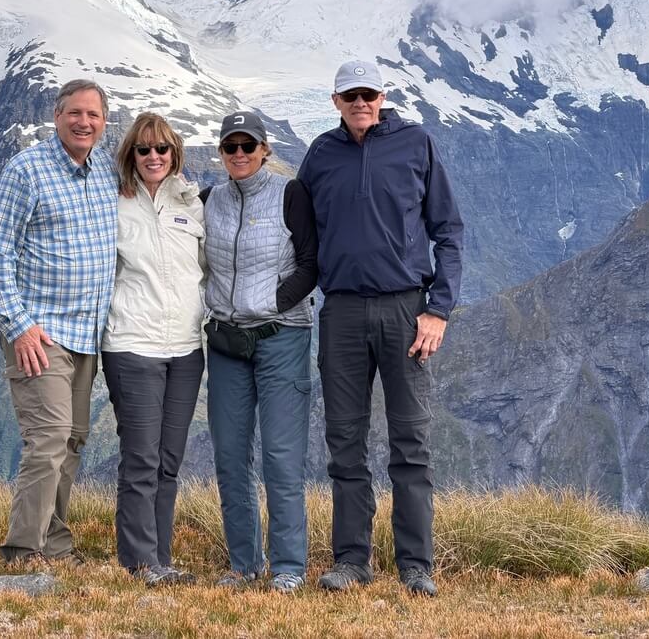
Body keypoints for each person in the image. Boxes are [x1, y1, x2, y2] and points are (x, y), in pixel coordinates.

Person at [298, 59, 464, 596]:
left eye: (368, 94)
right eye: (350, 96)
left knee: (410, 443)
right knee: (344, 442)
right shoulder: (320, 154)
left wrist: (438, 310)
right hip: (342, 311)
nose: (360, 103)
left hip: (406, 311)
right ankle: (352, 561)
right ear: (335, 101)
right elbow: (300, 234)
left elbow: (448, 231)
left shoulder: (416, 144)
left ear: (382, 96)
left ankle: (417, 566)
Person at [0, 79, 118, 568]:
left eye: (93, 115)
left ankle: (55, 545)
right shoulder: (26, 170)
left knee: (72, 440)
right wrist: (18, 326)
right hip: (40, 333)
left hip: (87, 335)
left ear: (104, 122)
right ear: (57, 116)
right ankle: (22, 550)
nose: (84, 122)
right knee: (49, 438)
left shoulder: (105, 168)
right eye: (74, 113)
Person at [203, 111, 318, 593]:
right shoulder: (209, 200)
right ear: (221, 153)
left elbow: (311, 263)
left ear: (264, 150)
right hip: (227, 341)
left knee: (280, 456)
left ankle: (288, 567)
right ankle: (244, 564)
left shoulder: (290, 194)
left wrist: (272, 302)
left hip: (281, 335)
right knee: (230, 455)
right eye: (231, 146)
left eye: (248, 145)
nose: (239, 154)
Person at [101, 112, 206, 587]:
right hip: (132, 344)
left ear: (174, 153)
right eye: (143, 149)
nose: (153, 156)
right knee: (141, 459)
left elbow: (207, 269)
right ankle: (140, 564)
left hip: (185, 348)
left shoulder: (191, 204)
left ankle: (160, 560)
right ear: (131, 154)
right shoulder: (112, 203)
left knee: (168, 462)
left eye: (162, 148)